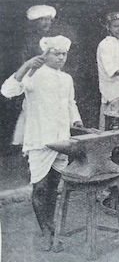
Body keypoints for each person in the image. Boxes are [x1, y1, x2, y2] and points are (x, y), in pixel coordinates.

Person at [1, 35, 83, 250]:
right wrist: (27, 65)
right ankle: (46, 231)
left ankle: (50, 224)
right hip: (39, 140)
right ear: (45, 55)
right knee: (40, 188)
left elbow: (70, 104)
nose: (61, 58)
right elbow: (7, 90)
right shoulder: (33, 75)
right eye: (57, 54)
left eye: (64, 54)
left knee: (55, 187)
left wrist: (77, 121)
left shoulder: (66, 79)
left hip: (61, 139)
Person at [11, 5, 58, 146]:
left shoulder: (54, 40)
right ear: (35, 22)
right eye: (42, 19)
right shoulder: (28, 40)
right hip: (34, 82)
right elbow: (23, 62)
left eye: (48, 19)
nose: (46, 23)